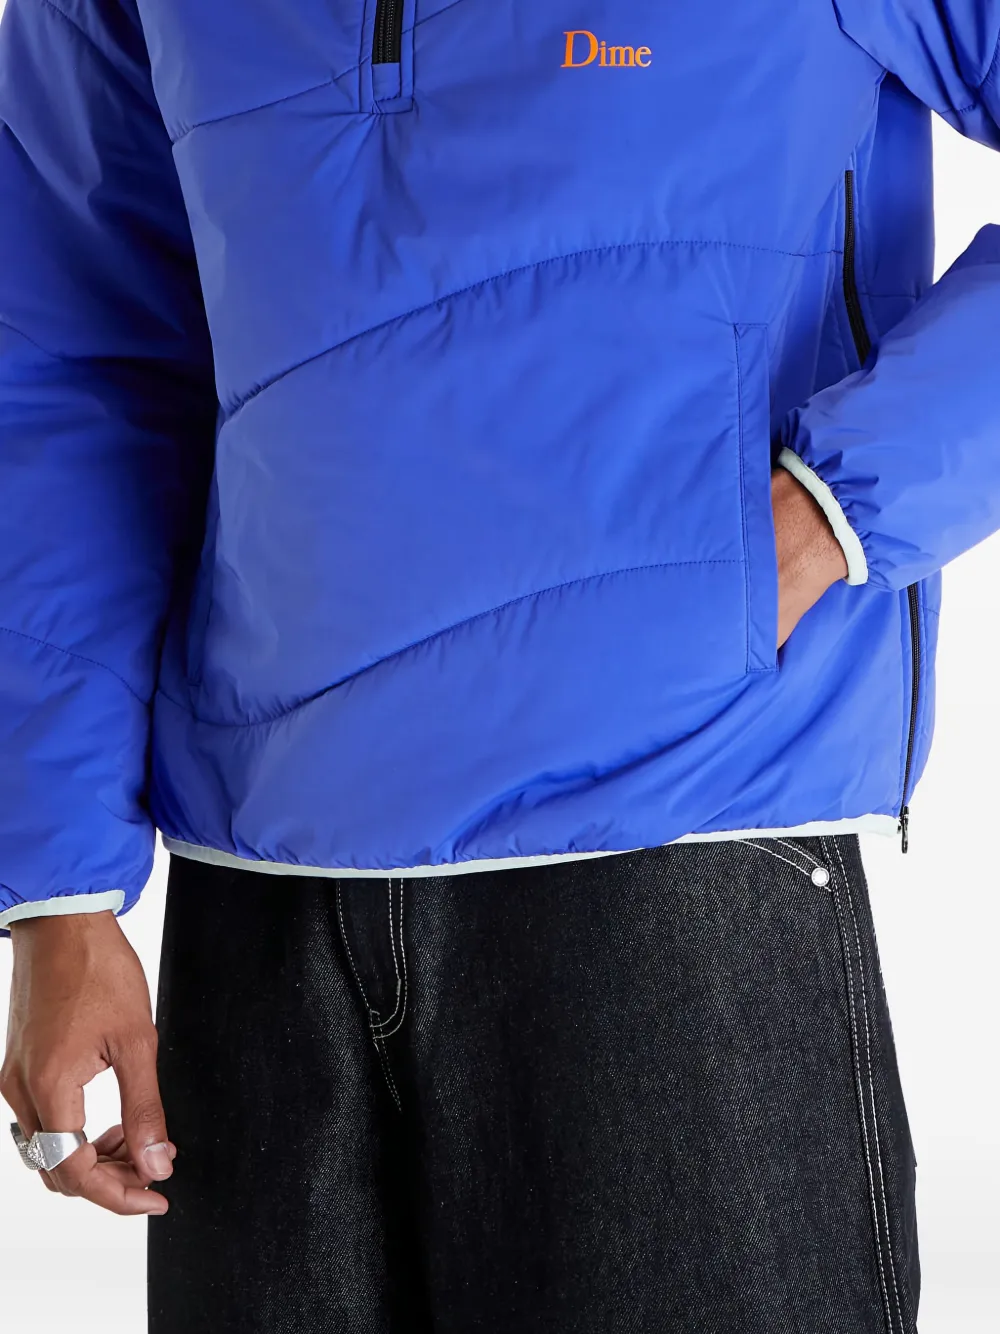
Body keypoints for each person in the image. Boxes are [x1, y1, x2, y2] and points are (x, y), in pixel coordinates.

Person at [1, 0, 998, 1329]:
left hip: (678, 847)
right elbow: (71, 359)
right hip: (262, 903)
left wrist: (831, 514)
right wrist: (57, 891)